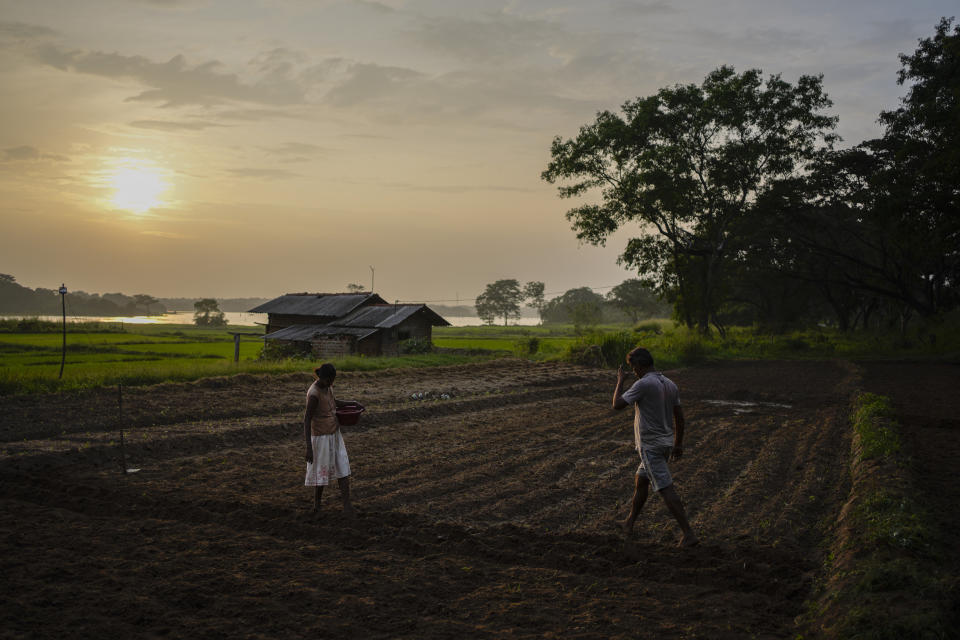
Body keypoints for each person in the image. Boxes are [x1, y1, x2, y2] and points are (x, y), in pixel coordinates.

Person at [612, 347, 698, 546]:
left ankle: (688, 533)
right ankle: (629, 522)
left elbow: (616, 404)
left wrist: (620, 381)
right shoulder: (669, 384)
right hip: (665, 444)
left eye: (633, 368)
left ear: (640, 366)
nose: (633, 371)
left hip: (650, 447)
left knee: (665, 487)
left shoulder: (643, 384)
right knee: (641, 481)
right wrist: (678, 444)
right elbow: (680, 418)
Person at [304, 363, 355, 517]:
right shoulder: (313, 394)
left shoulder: (328, 387)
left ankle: (347, 506)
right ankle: (317, 505)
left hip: (334, 434)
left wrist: (352, 403)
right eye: (330, 380)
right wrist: (309, 448)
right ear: (323, 378)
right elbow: (307, 420)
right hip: (321, 437)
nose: (332, 383)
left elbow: (334, 402)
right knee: (321, 473)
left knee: (343, 468)